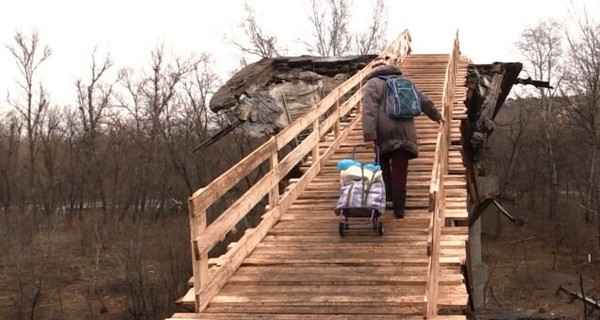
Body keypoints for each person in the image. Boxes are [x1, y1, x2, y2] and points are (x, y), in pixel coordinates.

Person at [362, 56, 444, 218]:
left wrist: (369, 135)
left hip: (383, 131)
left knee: (382, 163)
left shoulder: (372, 84)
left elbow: (369, 110)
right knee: (400, 167)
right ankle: (400, 209)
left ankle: (387, 198)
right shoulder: (405, 81)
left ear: (373, 70)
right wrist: (437, 116)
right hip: (405, 129)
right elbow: (424, 101)